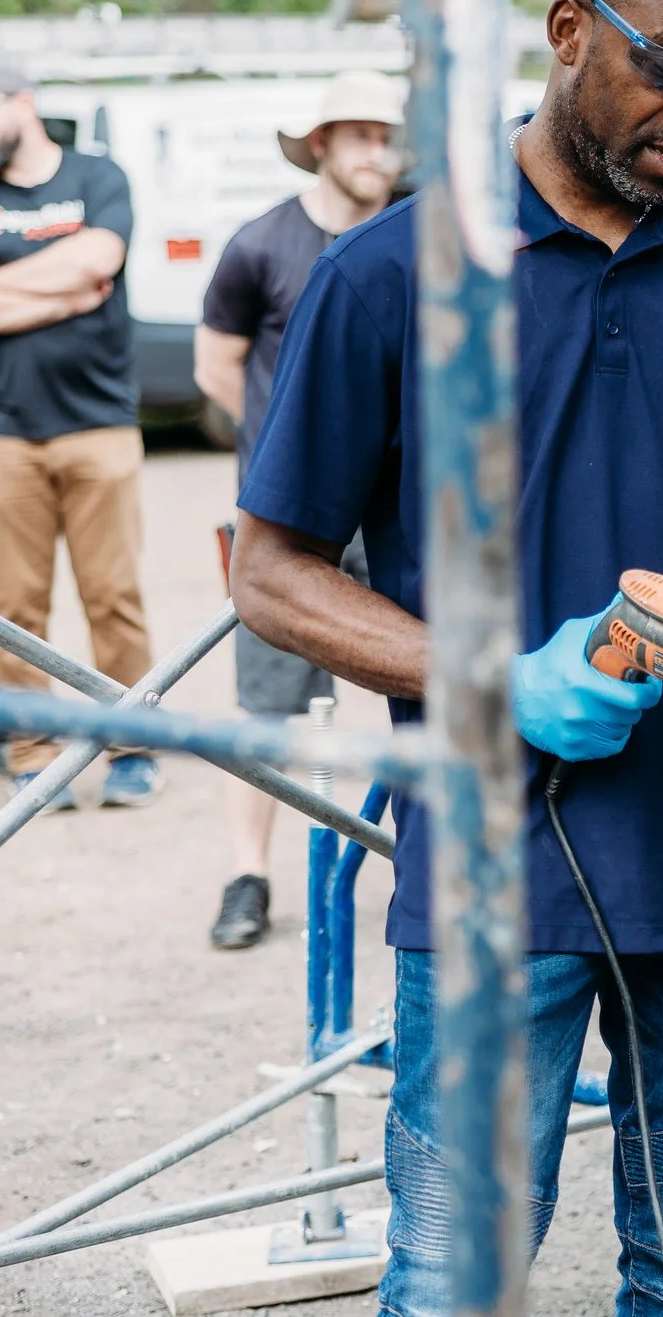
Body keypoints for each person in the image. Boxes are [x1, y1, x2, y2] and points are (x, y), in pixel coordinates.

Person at [229, 0, 663, 1317]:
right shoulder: (398, 272)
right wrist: (489, 677)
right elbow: (268, 572)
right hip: (490, 869)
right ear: (570, 27)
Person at [192, 69, 403, 948]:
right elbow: (215, 365)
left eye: (388, 136)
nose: (379, 153)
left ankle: (442, 867)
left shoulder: (415, 236)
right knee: (269, 710)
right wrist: (298, 461)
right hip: (285, 520)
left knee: (429, 683)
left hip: (392, 513)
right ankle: (249, 876)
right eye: (361, 135)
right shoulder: (261, 243)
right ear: (320, 142)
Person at [0, 62, 158, 808]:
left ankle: (132, 744)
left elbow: (101, 260)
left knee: (112, 596)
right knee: (13, 607)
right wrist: (59, 293)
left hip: (99, 424)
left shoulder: (97, 175)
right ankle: (34, 754)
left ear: (25, 103)